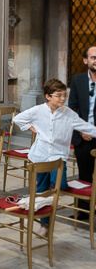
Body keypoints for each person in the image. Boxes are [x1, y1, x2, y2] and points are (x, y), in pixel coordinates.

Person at [14, 78, 96, 231]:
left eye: (65, 95)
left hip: (58, 157)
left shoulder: (69, 114)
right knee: (42, 189)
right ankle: (44, 223)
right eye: (58, 95)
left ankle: (41, 199)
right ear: (48, 96)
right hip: (40, 156)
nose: (63, 98)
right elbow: (18, 119)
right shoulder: (38, 110)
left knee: (61, 185)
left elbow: (87, 127)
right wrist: (35, 130)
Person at [68, 45, 96, 222]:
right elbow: (73, 109)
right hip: (83, 137)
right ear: (86, 60)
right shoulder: (77, 80)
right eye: (93, 57)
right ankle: (83, 210)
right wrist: (82, 130)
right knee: (84, 175)